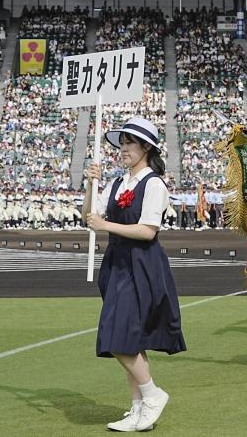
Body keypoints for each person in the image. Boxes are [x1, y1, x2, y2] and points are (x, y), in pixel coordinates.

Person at [83, 118, 185, 432]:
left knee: (117, 336)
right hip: (117, 263)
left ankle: (153, 395)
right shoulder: (115, 183)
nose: (123, 149)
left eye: (130, 143)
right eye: (122, 142)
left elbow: (147, 231)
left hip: (142, 263)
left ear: (146, 149)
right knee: (131, 339)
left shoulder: (154, 184)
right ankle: (138, 408)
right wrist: (90, 184)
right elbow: (90, 217)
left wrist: (106, 226)